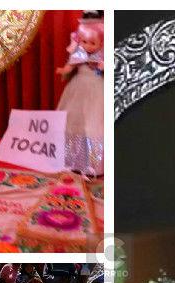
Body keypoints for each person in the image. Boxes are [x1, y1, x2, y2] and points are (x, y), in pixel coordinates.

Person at [55, 11, 104, 176]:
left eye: (92, 43)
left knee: (93, 124)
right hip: (78, 89)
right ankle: (72, 160)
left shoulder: (103, 56)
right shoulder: (79, 53)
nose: (88, 46)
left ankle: (94, 163)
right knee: (74, 122)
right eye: (84, 42)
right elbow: (71, 65)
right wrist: (64, 70)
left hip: (97, 90)